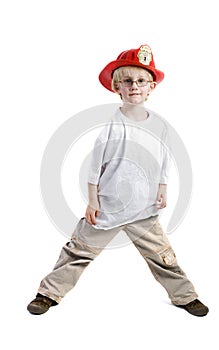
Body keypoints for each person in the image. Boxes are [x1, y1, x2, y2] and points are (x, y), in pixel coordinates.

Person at [27, 44, 209, 317]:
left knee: (163, 258)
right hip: (108, 208)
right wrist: (92, 201)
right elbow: (94, 168)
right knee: (78, 253)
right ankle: (48, 294)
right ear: (117, 87)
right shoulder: (111, 126)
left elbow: (163, 160)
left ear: (151, 88)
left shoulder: (159, 126)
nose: (134, 86)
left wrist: (162, 187)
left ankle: (184, 296)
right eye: (127, 81)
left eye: (141, 81)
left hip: (144, 210)